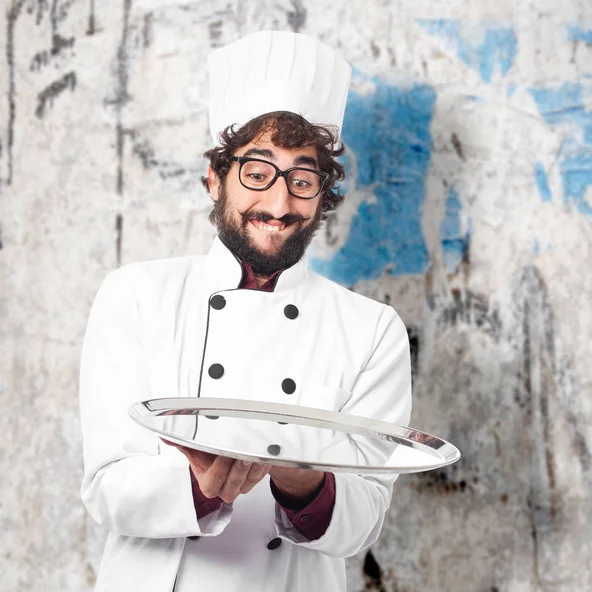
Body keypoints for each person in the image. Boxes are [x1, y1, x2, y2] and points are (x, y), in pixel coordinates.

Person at [79, 31, 411, 592]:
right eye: (258, 173)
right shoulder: (135, 295)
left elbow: (363, 521)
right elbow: (106, 488)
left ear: (322, 195)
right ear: (216, 178)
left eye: (302, 180)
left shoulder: (372, 329)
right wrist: (202, 488)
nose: (279, 204)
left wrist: (301, 482)